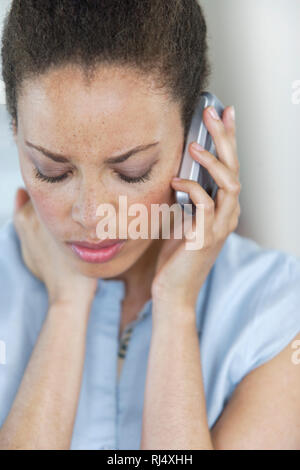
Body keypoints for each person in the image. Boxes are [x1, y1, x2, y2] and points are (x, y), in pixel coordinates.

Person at [0, 0, 299, 450]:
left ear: (198, 137)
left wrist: (176, 306)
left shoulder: (279, 312)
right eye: (51, 170)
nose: (92, 215)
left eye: (132, 170)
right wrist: (66, 305)